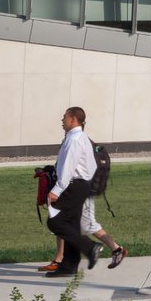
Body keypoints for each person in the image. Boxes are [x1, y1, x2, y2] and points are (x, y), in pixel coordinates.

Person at [44, 107, 104, 277]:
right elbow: (91, 166)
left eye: (64, 117)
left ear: (73, 119)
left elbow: (68, 168)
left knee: (55, 222)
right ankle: (69, 266)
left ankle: (90, 247)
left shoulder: (75, 139)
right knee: (71, 224)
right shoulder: (80, 137)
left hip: (72, 185)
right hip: (81, 185)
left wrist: (57, 190)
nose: (62, 120)